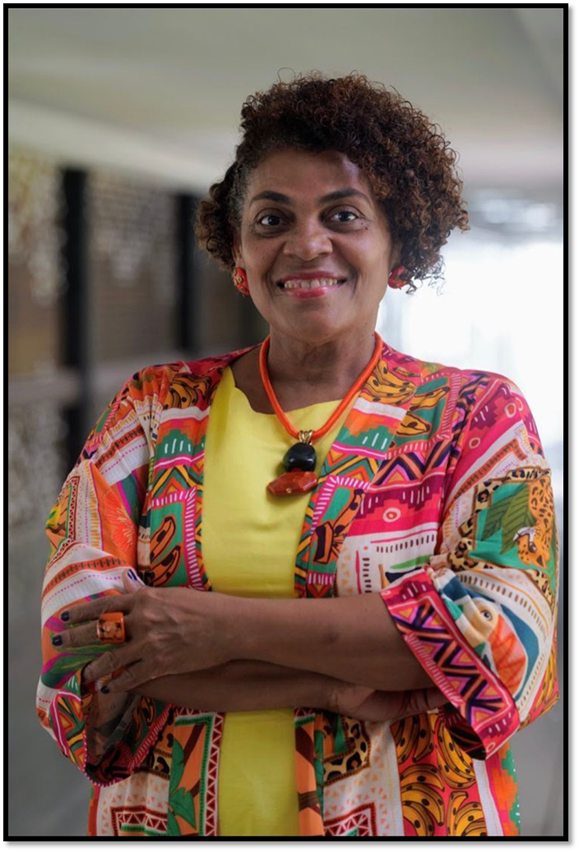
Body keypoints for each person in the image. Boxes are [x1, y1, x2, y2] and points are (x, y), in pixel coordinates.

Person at [37, 71, 559, 837]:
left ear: (399, 247)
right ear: (239, 255)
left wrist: (210, 630)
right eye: (271, 218)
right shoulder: (154, 410)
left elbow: (502, 645)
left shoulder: (474, 417)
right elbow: (78, 644)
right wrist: (346, 679)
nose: (306, 243)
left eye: (342, 215)